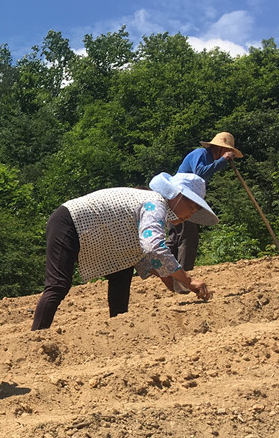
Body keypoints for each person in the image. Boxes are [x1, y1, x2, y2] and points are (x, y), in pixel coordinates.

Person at [30, 172, 216, 330]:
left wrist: (171, 279)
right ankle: (36, 336)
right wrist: (188, 280)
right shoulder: (155, 203)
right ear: (177, 196)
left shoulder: (154, 205)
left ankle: (118, 329)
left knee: (123, 268)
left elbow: (141, 256)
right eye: (191, 207)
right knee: (58, 285)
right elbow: (154, 246)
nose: (190, 214)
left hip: (98, 236)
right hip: (68, 223)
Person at [167, 131, 242, 271]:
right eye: (228, 151)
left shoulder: (209, 158)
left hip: (178, 197)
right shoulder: (201, 153)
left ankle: (166, 272)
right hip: (182, 198)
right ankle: (183, 273)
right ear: (220, 148)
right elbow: (200, 172)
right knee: (188, 237)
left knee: (175, 237)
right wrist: (223, 161)